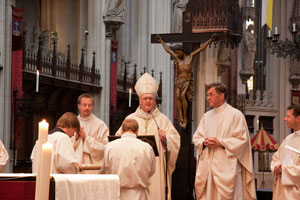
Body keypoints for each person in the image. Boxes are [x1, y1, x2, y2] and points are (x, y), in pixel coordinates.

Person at [116, 73, 180, 200]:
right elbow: (118, 140)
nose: (148, 101)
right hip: (134, 167)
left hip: (156, 168)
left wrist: (165, 139)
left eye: (151, 98)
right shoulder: (130, 119)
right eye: (145, 98)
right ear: (140, 100)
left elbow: (175, 141)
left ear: (154, 100)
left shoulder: (162, 120)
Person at [193, 82, 256, 200]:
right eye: (207, 95)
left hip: (226, 168)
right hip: (208, 168)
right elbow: (197, 137)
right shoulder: (206, 116)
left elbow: (242, 141)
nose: (208, 98)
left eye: (211, 94)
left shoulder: (235, 115)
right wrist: (204, 142)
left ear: (221, 95)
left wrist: (221, 143)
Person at [156, 34, 217, 129]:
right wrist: (161, 42)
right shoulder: (177, 59)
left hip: (187, 80)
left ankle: (185, 118)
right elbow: (168, 50)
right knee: (178, 96)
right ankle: (181, 116)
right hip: (180, 80)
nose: (177, 54)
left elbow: (201, 49)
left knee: (183, 95)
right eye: (176, 53)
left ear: (182, 51)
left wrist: (210, 40)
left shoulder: (191, 57)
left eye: (178, 52)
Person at [104, 118, 156, 200]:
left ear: (121, 131)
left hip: (117, 193)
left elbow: (106, 168)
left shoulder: (110, 146)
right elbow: (152, 170)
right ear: (137, 131)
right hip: (140, 194)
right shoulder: (147, 148)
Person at [72, 93, 109, 174]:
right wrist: (76, 138)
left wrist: (86, 138)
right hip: (75, 167)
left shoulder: (100, 125)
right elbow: (66, 145)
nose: (87, 108)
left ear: (93, 106)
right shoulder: (72, 123)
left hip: (91, 169)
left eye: (90, 105)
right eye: (84, 105)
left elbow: (105, 148)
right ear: (79, 106)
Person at [271, 104, 300, 199]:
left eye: (288, 116)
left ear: (298, 118)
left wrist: (283, 169)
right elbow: (276, 158)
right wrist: (276, 167)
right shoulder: (287, 139)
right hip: (282, 191)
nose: (284, 119)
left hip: (295, 194)